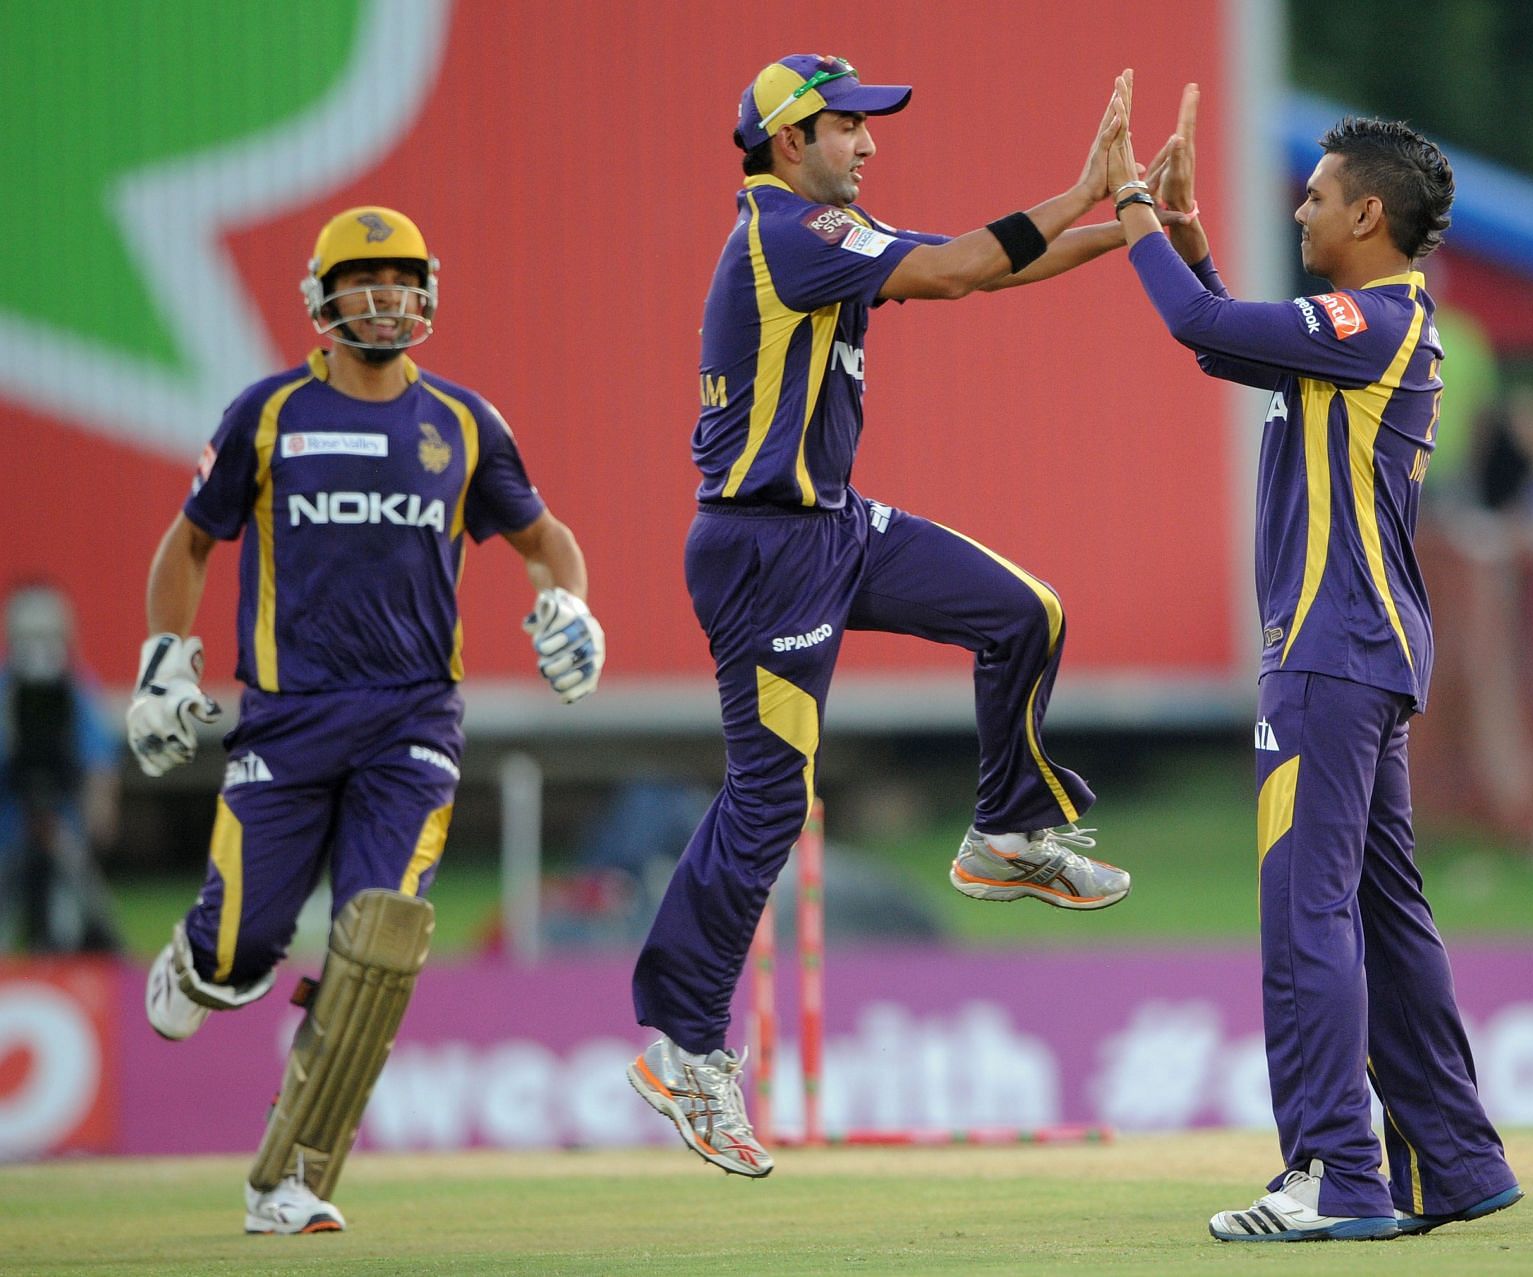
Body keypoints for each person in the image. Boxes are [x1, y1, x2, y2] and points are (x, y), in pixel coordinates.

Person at [625, 57, 1164, 1177]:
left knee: (1024, 612)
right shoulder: (790, 235)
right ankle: (682, 1046)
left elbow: (982, 273)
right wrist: (1083, 191)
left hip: (831, 526)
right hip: (763, 549)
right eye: (847, 128)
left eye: (869, 127)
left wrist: (1127, 224)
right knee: (771, 801)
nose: (869, 144)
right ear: (788, 143)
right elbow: (966, 268)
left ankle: (1005, 832)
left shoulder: (829, 235)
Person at [130, 206, 605, 1234]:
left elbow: (544, 538)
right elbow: (190, 541)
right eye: (365, 279)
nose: (387, 296)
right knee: (243, 948)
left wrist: (568, 602)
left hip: (413, 724)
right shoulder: (268, 414)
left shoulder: (465, 423)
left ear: (425, 291)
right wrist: (165, 662)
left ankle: (290, 1175)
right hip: (288, 720)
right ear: (324, 296)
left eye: (402, 279)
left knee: (378, 942)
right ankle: (205, 957)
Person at [1113, 88, 1521, 1240]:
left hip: (1330, 652)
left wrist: (1131, 205)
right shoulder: (1365, 329)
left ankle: (1336, 1174)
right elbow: (1229, 335)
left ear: (1371, 214)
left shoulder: (1372, 323)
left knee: (1307, 911)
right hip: (1365, 651)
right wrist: (1185, 236)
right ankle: (1453, 1159)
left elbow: (1202, 329)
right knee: (1382, 913)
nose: (1299, 205)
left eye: (1318, 193)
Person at [1, 582, 122, 953]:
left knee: (74, 921)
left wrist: (99, 812)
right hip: (9, 832)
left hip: (63, 832)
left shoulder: (77, 692)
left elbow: (99, 761)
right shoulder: (6, 693)